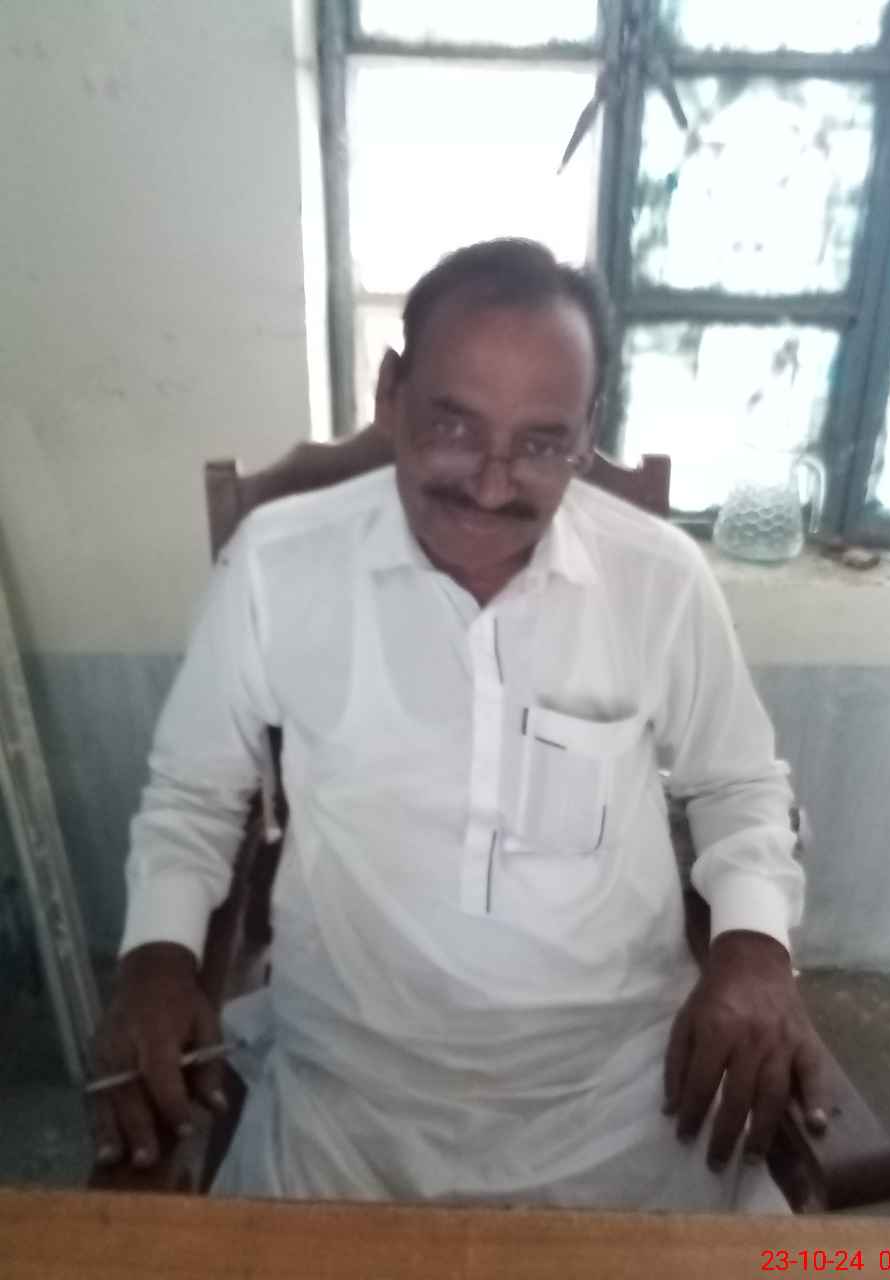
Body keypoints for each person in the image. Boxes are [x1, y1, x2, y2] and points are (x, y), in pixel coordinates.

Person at [92, 238, 825, 1210]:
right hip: (350, 1089)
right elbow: (197, 791)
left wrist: (754, 950)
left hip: (624, 1090)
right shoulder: (278, 564)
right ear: (391, 391)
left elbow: (737, 785)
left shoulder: (658, 579)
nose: (490, 483)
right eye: (453, 424)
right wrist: (157, 956)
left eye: (540, 443)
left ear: (586, 434)